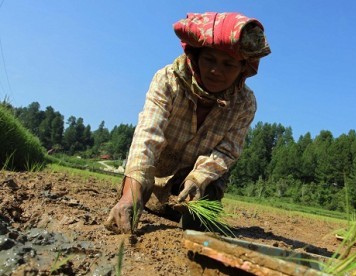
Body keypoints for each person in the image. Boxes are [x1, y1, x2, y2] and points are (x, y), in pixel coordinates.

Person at [104, 12, 271, 234]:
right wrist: (129, 197)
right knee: (132, 201)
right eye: (209, 59)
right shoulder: (168, 80)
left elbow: (227, 151)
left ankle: (188, 210)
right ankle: (139, 197)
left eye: (228, 64)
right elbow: (147, 136)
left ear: (243, 68)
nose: (216, 71)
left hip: (198, 182)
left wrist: (198, 179)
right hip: (155, 173)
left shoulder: (245, 103)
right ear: (195, 56)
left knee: (197, 220)